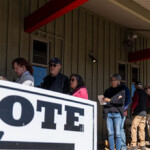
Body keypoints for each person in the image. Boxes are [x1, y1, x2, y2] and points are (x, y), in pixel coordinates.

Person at [103, 74, 125, 150]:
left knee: (118, 134)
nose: (112, 81)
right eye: (111, 80)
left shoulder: (121, 91)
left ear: (118, 81)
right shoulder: (107, 91)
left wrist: (109, 100)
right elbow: (104, 103)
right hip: (108, 114)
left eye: (113, 80)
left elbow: (120, 102)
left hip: (117, 114)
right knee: (110, 134)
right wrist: (114, 101)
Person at [129, 81, 147, 150]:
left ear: (136, 86)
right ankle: (142, 145)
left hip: (137, 113)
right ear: (141, 86)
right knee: (142, 129)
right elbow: (147, 103)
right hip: (144, 114)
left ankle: (133, 145)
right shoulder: (145, 93)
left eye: (135, 86)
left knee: (134, 128)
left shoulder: (136, 92)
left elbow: (135, 101)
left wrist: (132, 108)